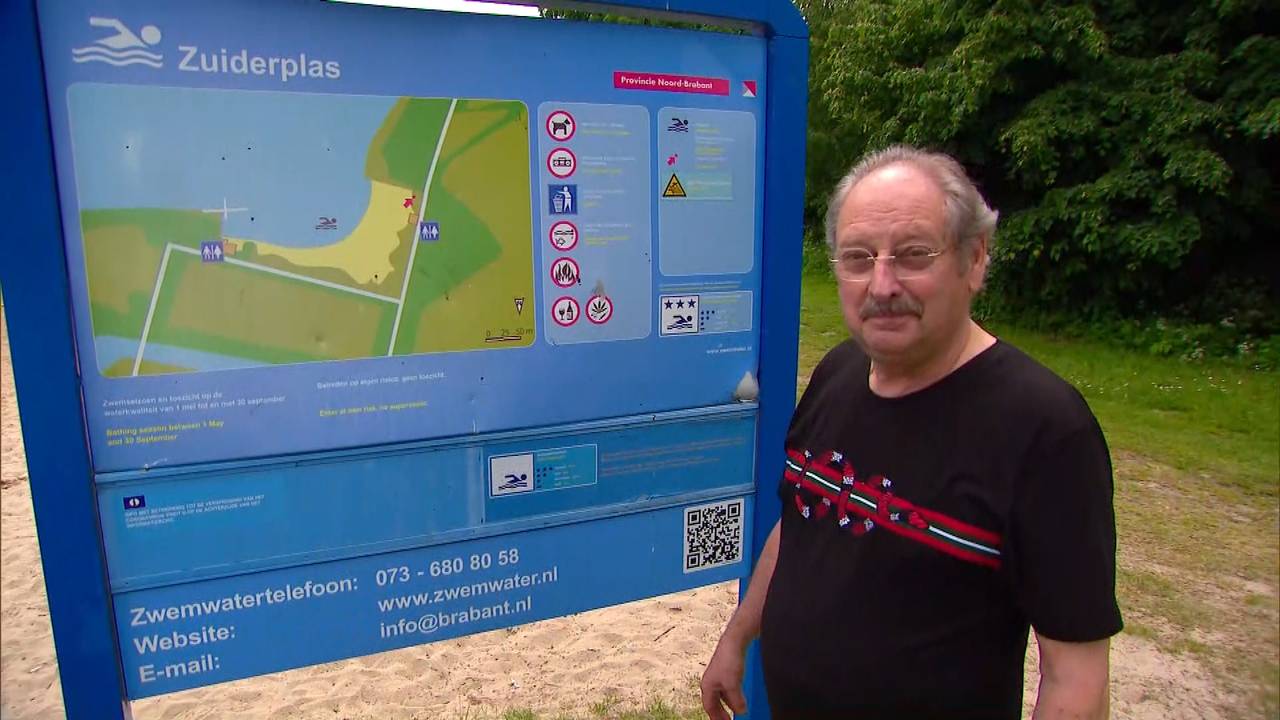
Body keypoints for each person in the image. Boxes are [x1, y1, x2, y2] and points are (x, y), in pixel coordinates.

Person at [701, 146, 1122, 719]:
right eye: (858, 257)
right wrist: (737, 637)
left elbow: (1076, 676)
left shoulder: (1045, 430)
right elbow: (798, 522)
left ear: (974, 260)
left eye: (913, 254)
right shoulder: (838, 372)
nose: (881, 284)